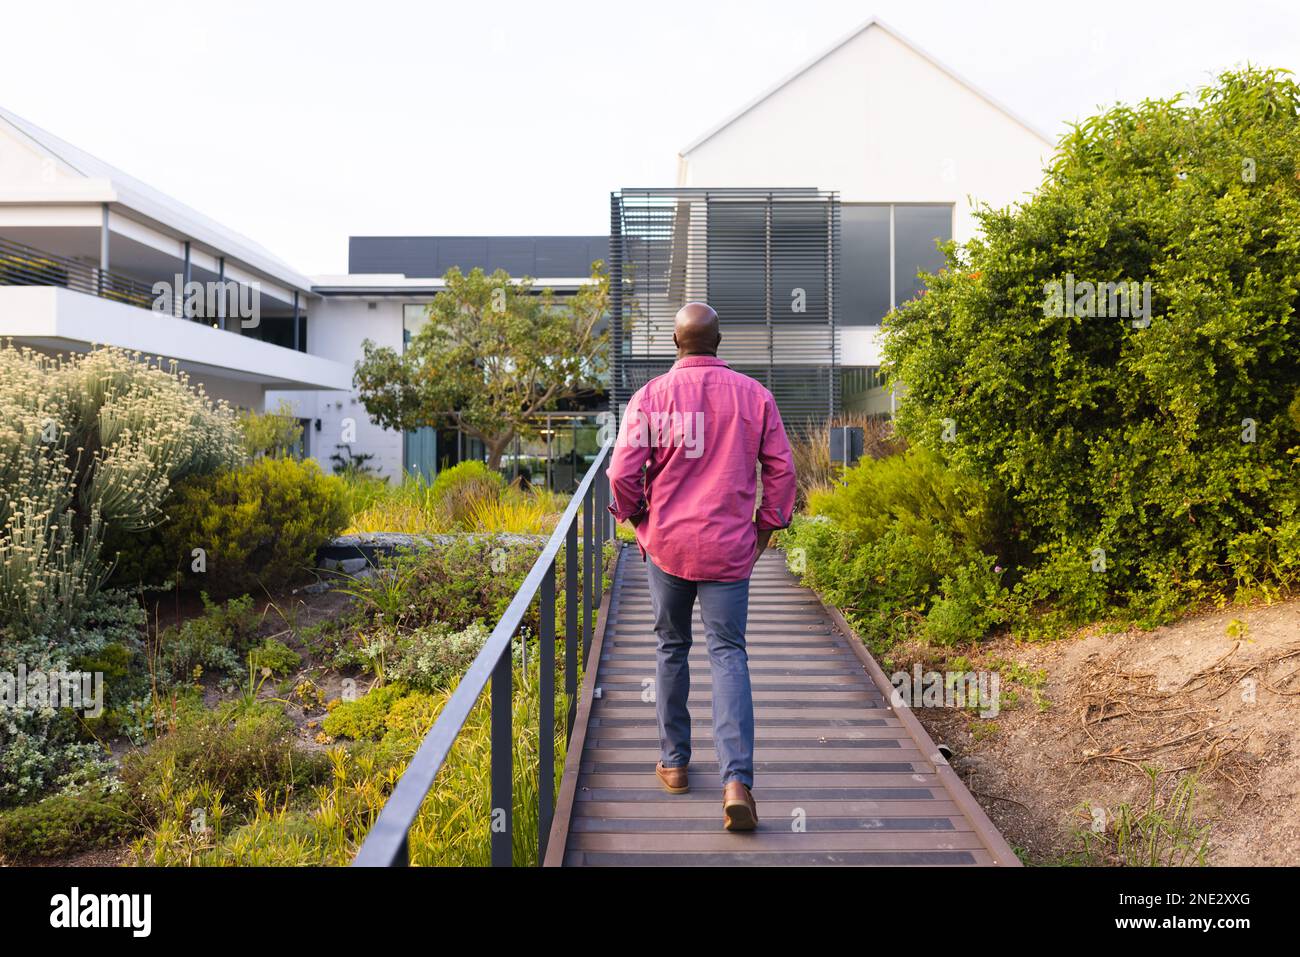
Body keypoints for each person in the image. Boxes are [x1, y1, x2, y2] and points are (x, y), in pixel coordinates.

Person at [605, 301, 797, 831]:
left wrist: (638, 520)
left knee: (671, 646)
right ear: (718, 342)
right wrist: (765, 527)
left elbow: (621, 474)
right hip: (729, 548)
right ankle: (736, 782)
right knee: (728, 652)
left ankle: (675, 765)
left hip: (667, 545)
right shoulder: (755, 396)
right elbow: (782, 471)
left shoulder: (650, 397)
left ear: (676, 342)